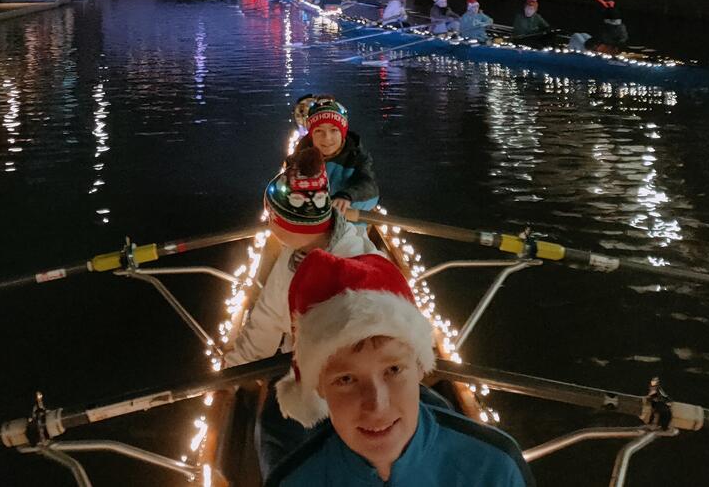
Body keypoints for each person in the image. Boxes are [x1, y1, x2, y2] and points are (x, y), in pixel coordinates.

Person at [266, 250, 531, 486]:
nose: (377, 405)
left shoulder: (494, 468)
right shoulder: (292, 481)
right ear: (318, 387)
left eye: (393, 370)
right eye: (346, 379)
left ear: (419, 368)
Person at [222, 149, 381, 478]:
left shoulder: (293, 269)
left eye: (270, 219)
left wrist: (229, 372)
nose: (267, 226)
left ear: (287, 224)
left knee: (273, 431)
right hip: (375, 384)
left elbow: (263, 331)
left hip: (327, 390)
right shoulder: (357, 244)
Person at [294, 99, 379, 214]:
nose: (327, 138)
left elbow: (370, 189)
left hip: (349, 223)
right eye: (319, 131)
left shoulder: (357, 158)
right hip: (309, 223)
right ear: (311, 135)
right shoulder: (298, 158)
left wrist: (347, 197)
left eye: (334, 130)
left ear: (342, 133)